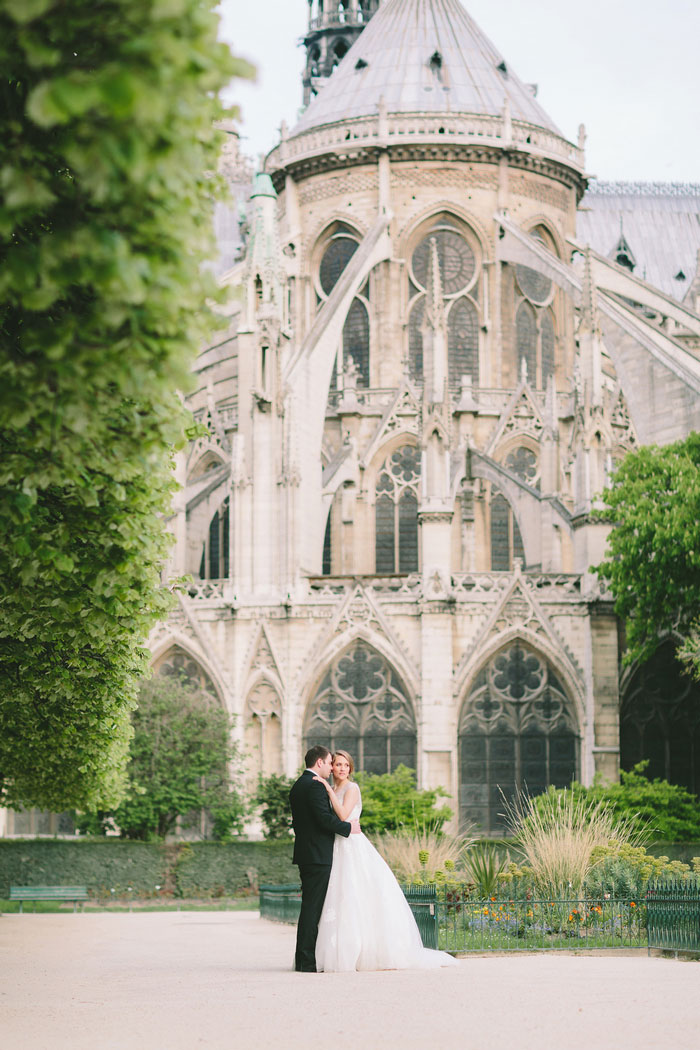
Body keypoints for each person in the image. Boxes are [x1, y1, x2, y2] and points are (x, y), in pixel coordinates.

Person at [313, 750, 457, 972]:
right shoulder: (334, 788)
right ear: (331, 767)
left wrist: (326, 790)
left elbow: (343, 816)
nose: (342, 768)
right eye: (338, 764)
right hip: (338, 845)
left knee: (357, 892)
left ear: (350, 769)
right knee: (341, 897)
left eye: (346, 765)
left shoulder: (351, 788)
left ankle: (364, 952)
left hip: (353, 844)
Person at [288, 744, 361, 972]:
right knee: (313, 909)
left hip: (307, 853)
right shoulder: (314, 786)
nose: (332, 768)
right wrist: (349, 829)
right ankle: (307, 961)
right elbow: (323, 819)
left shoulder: (298, 785)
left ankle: (305, 959)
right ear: (319, 762)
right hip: (318, 855)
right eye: (331, 763)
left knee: (311, 907)